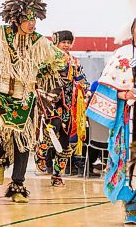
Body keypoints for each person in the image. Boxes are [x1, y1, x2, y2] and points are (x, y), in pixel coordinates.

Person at [0, 0, 64, 203]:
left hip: (24, 97)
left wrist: (42, 73)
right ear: (16, 18)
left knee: (22, 141)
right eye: (27, 18)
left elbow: (60, 60)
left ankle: (18, 186)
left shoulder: (40, 42)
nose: (32, 23)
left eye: (34, 18)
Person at [87, 19, 136, 227]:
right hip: (127, 119)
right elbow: (106, 87)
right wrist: (126, 93)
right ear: (132, 31)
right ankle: (132, 208)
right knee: (128, 161)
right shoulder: (122, 54)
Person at [34, 30, 89, 186]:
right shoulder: (47, 58)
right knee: (53, 126)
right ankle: (40, 153)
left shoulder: (74, 61)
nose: (66, 45)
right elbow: (38, 77)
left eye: (68, 42)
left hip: (69, 104)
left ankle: (57, 175)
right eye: (63, 42)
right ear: (56, 42)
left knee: (67, 141)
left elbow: (82, 79)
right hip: (50, 102)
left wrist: (84, 87)